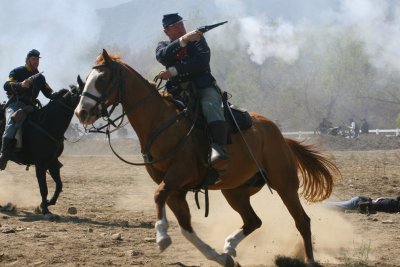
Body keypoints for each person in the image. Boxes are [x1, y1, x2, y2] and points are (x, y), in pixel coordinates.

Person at [155, 13, 228, 168]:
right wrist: (184, 40)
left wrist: (173, 71)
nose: (181, 27)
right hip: (175, 91)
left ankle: (218, 148)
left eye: (181, 24)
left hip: (202, 86)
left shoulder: (198, 39)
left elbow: (201, 62)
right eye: (176, 26)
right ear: (167, 31)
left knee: (210, 104)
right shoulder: (163, 46)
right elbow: (163, 57)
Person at [0, 49, 55, 170]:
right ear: (28, 59)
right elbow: (6, 85)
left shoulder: (40, 78)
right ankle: (4, 155)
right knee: (13, 122)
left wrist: (67, 95)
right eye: (33, 59)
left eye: (37, 59)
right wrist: (20, 85)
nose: (36, 62)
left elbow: (49, 93)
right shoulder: (17, 71)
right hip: (15, 104)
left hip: (30, 107)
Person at [325, 194, 400, 214]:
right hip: (359, 202)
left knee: (338, 207)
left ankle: (320, 205)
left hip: (361, 202)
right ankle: (318, 205)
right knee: (338, 207)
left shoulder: (394, 202)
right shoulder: (396, 204)